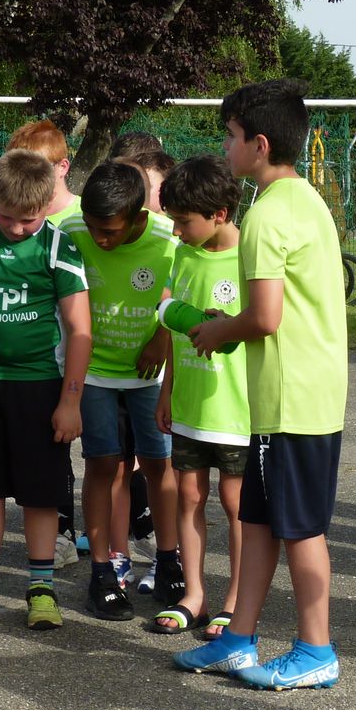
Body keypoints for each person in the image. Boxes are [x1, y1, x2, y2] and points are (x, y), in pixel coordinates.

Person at [188, 80, 346, 689]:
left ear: (259, 144)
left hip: (292, 399)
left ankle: (316, 649)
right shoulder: (306, 200)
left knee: (300, 528)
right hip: (297, 394)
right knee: (256, 521)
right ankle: (238, 638)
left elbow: (265, 317)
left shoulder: (266, 215)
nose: (224, 148)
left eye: (230, 137)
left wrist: (217, 330)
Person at [0, 151, 91, 630]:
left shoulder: (58, 247)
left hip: (40, 386)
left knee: (39, 495)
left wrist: (71, 400)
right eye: (6, 216)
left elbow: (80, 331)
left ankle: (41, 588)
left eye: (27, 220)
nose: (15, 228)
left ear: (47, 205)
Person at [62, 161, 183, 621]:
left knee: (158, 465)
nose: (98, 238)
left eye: (109, 231)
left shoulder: (168, 240)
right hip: (94, 373)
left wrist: (161, 337)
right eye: (92, 227)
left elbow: (183, 292)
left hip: (148, 376)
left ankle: (169, 561)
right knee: (102, 464)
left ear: (138, 218)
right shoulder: (71, 230)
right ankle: (102, 572)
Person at [151, 156, 249, 642]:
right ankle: (194, 595)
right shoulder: (185, 255)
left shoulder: (251, 260)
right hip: (189, 404)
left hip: (237, 411)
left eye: (184, 221)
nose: (176, 230)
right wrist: (167, 390)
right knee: (189, 496)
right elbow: (173, 329)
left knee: (236, 503)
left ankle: (235, 601)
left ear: (220, 214)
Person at [5, 119, 85, 570]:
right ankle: (59, 533)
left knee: (95, 452)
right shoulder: (13, 221)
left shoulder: (78, 223)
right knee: (50, 450)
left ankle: (112, 533)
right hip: (39, 362)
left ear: (61, 167)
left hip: (81, 355)